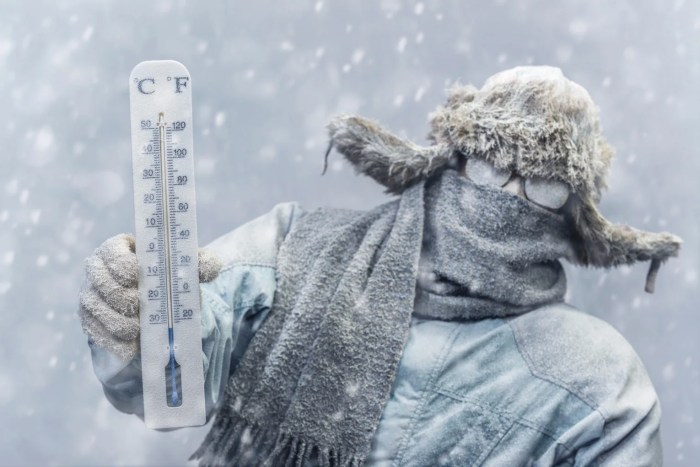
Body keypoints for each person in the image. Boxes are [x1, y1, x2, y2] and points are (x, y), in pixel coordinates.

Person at [78, 66, 681, 466]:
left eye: (544, 188)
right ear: (451, 161)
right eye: (492, 169)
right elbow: (174, 374)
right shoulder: (298, 246)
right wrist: (134, 319)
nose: (509, 198)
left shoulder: (597, 379)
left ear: (571, 211)